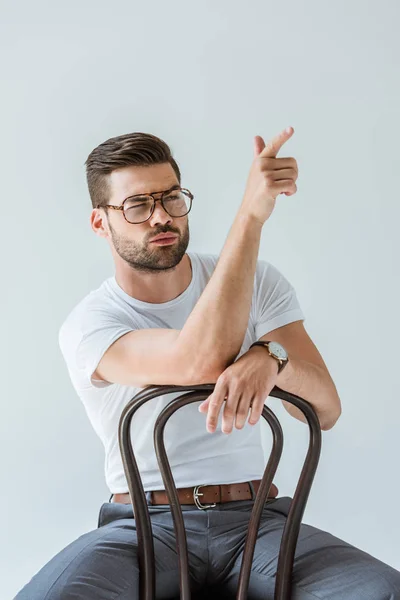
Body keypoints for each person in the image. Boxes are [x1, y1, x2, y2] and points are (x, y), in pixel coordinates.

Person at [15, 128, 400, 599]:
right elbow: (197, 360)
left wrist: (272, 358)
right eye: (137, 206)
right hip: (143, 527)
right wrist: (251, 217)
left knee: (382, 590)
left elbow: (324, 409)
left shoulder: (255, 282)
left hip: (255, 521)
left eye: (172, 198)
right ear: (100, 223)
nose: (161, 217)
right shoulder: (92, 322)